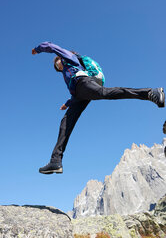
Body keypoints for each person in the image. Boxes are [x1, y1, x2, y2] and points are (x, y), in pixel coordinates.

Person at [32, 41, 165, 174]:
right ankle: (55, 161)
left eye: (57, 63)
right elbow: (75, 91)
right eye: (57, 68)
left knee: (105, 93)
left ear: (59, 59)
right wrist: (67, 104)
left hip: (84, 83)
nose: (57, 66)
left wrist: (37, 49)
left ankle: (150, 93)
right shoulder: (66, 71)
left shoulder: (68, 57)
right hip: (79, 94)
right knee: (65, 123)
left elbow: (52, 46)